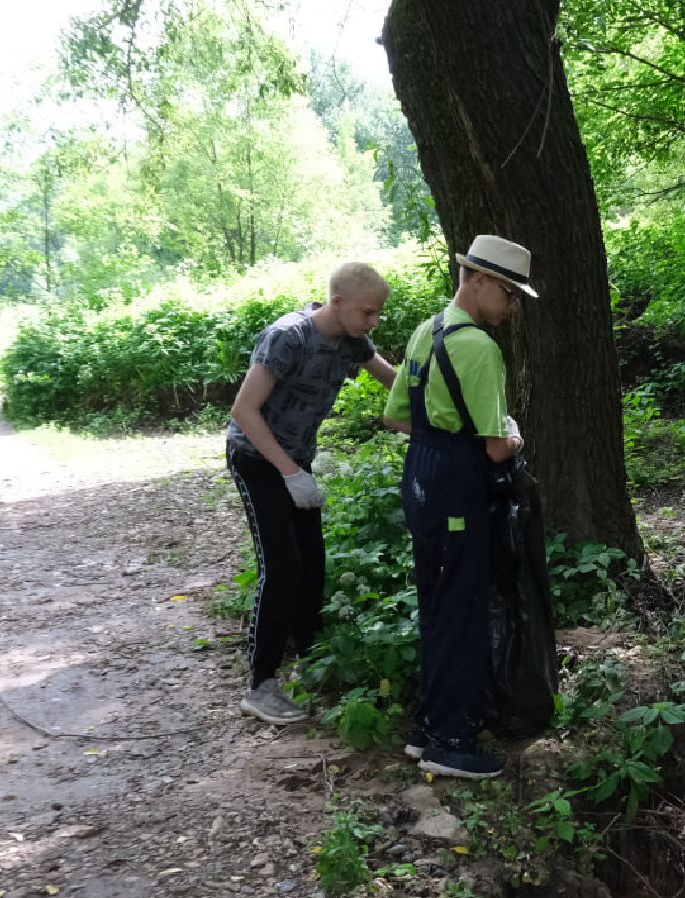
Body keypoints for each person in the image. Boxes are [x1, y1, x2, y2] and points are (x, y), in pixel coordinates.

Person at [383, 235, 532, 780]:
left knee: (437, 602)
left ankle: (428, 730)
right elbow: (495, 447)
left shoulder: (427, 330)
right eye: (510, 295)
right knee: (463, 609)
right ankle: (451, 740)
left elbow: (396, 416)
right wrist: (511, 438)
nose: (512, 308)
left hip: (421, 474)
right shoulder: (479, 347)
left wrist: (443, 436)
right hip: (457, 487)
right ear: (480, 281)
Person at [226, 262, 398, 723]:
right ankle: (260, 684)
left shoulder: (353, 340)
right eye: (367, 312)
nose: (373, 322)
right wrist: (288, 472)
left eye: (377, 313)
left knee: (312, 564)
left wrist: (439, 397)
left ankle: (311, 658)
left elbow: (392, 380)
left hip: (294, 462)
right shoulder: (289, 337)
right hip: (257, 459)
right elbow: (244, 410)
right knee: (281, 567)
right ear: (336, 303)